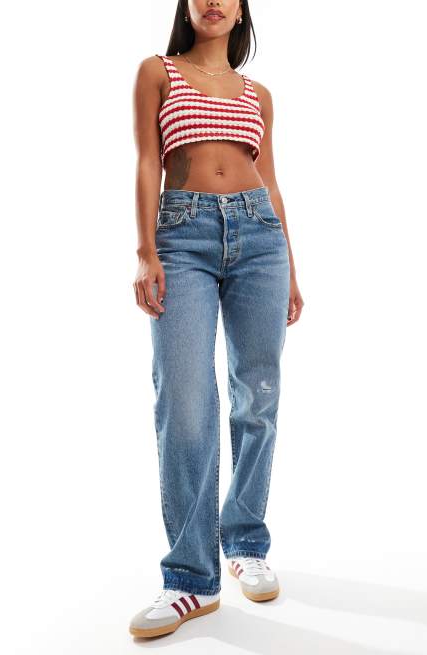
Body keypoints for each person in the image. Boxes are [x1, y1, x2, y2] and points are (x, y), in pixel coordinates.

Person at [130, 0, 304, 639]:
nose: (213, 0)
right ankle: (190, 579)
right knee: (184, 402)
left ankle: (246, 540)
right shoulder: (158, 71)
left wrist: (291, 267)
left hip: (260, 238)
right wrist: (146, 251)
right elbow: (148, 162)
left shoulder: (258, 93)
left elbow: (271, 180)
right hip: (182, 237)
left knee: (257, 396)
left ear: (240, 11)